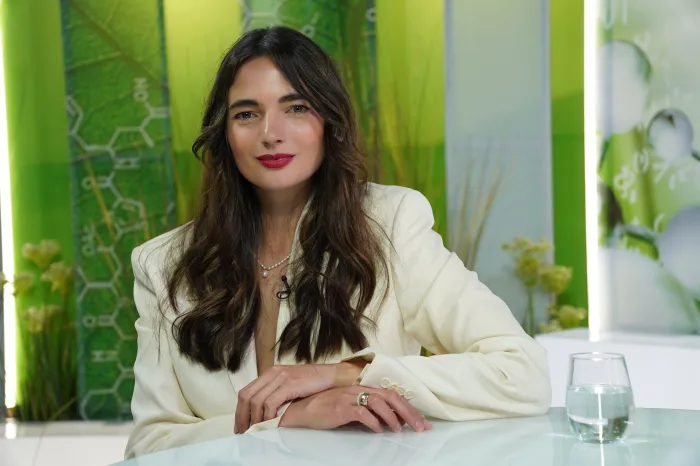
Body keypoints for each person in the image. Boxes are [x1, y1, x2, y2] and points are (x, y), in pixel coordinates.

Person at [124, 25, 551, 459]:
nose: (271, 133)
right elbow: (148, 446)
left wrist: (348, 374)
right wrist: (286, 420)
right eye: (247, 114)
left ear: (329, 122)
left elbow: (522, 373)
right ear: (224, 132)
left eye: (296, 108)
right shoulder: (162, 264)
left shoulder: (391, 224)